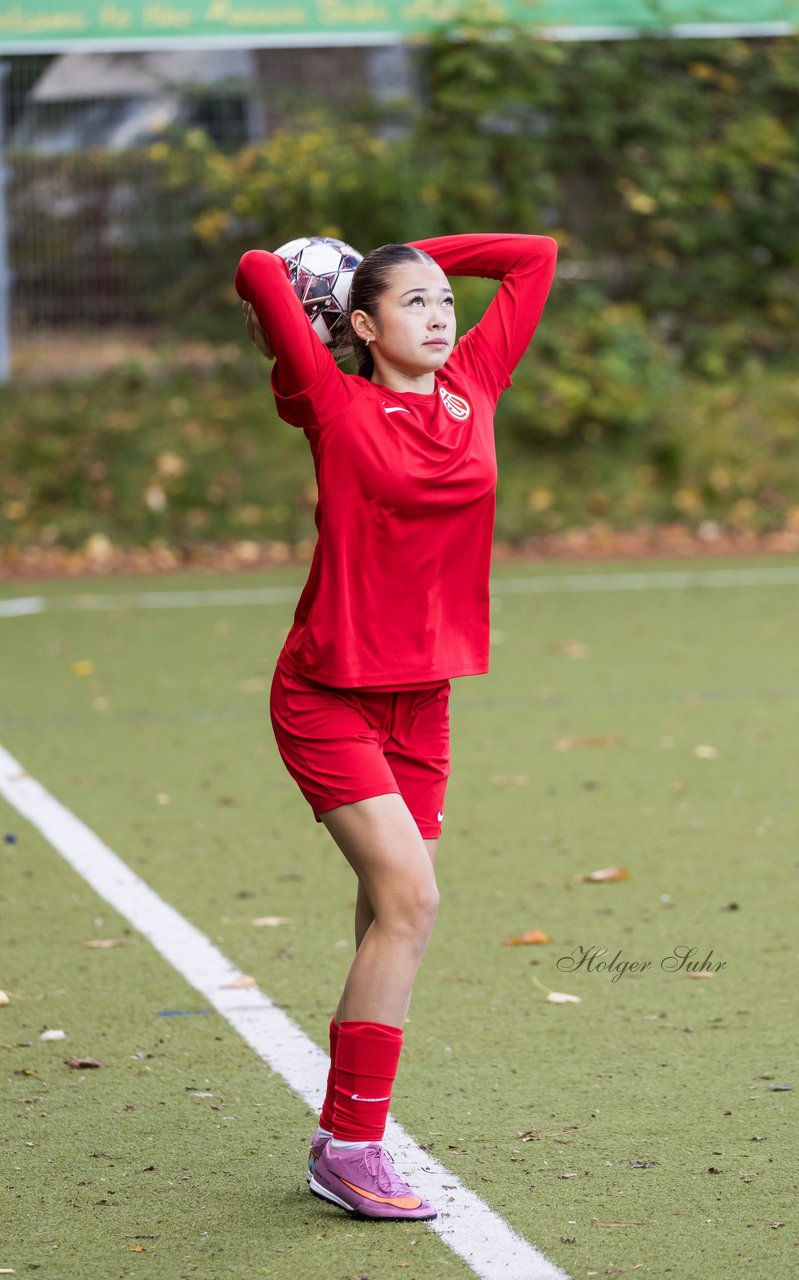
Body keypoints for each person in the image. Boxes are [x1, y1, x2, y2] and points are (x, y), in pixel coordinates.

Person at [235, 231, 557, 1222]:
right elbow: (255, 267)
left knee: (388, 915)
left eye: (442, 299)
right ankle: (350, 1142)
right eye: (411, 300)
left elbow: (532, 257)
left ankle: (351, 1126)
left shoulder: (474, 387)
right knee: (413, 902)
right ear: (361, 325)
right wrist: (332, 275)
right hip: (327, 692)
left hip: (424, 698)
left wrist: (411, 251)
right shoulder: (336, 405)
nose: (438, 311)